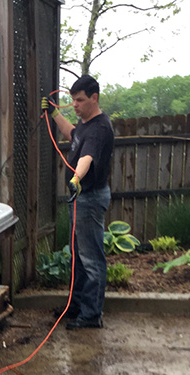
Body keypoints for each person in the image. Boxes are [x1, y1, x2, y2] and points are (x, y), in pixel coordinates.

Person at [42, 75, 114, 329]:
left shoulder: (100, 128)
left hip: (89, 198)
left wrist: (75, 179)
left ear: (94, 98)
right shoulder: (85, 125)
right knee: (78, 257)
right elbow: (72, 134)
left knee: (91, 258)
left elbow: (88, 157)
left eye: (80, 100)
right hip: (81, 199)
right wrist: (53, 113)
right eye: (72, 100)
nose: (75, 104)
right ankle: (76, 307)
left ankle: (91, 315)